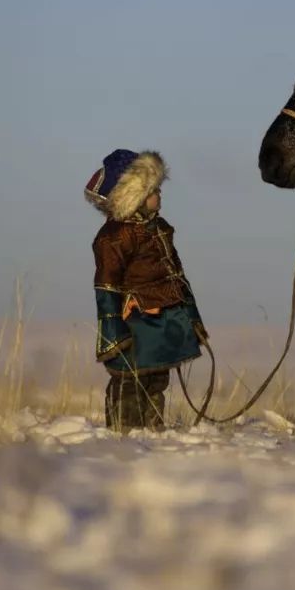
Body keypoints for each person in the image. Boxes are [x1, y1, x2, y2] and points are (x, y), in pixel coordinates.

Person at [83, 149, 208, 431]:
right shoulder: (114, 236)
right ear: (133, 196)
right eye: (153, 190)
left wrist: (192, 319)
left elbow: (177, 277)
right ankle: (124, 433)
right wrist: (113, 333)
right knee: (129, 379)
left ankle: (152, 433)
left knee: (156, 378)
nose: (159, 194)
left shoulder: (159, 228)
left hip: (164, 320)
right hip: (133, 322)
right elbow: (106, 285)